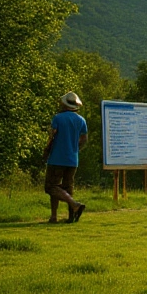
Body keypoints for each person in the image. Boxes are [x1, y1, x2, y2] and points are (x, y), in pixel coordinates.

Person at [43, 92, 88, 224]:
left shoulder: (58, 118)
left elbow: (52, 137)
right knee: (68, 187)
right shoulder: (81, 120)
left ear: (64, 104)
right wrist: (75, 149)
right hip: (73, 159)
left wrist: (46, 151)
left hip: (57, 158)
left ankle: (72, 205)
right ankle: (69, 216)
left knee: (51, 187)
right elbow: (84, 139)